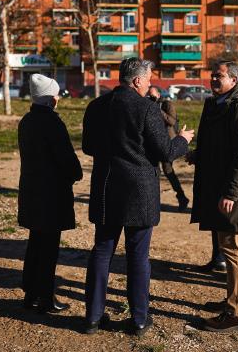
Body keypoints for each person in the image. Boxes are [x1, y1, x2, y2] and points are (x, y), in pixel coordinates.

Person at [81, 58, 194, 337]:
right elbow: (165, 152)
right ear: (137, 81)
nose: (151, 82)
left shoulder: (96, 106)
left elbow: (87, 146)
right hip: (139, 191)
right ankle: (140, 320)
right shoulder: (146, 108)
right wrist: (183, 139)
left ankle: (93, 318)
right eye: (149, 78)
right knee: (138, 256)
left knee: (102, 251)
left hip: (107, 187)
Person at [188, 61, 238, 333]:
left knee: (233, 249)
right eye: (212, 75)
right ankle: (235, 300)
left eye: (219, 76)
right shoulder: (218, 103)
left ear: (234, 80)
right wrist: (197, 155)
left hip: (234, 192)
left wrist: (231, 193)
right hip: (219, 186)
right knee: (229, 247)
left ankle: (235, 313)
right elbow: (218, 144)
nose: (213, 79)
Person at [17, 74, 83, 314]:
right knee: (48, 249)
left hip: (32, 192)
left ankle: (31, 293)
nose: (58, 99)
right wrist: (76, 173)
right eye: (56, 95)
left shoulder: (26, 121)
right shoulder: (52, 123)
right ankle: (46, 296)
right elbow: (65, 158)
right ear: (49, 99)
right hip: (51, 195)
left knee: (35, 243)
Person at [147, 86, 190, 210]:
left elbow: (171, 121)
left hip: (167, 144)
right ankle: (153, 200)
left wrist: (156, 109)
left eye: (153, 96)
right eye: (149, 96)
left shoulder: (167, 104)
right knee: (153, 171)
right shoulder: (147, 106)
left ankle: (182, 197)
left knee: (168, 171)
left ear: (159, 95)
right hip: (153, 143)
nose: (151, 98)